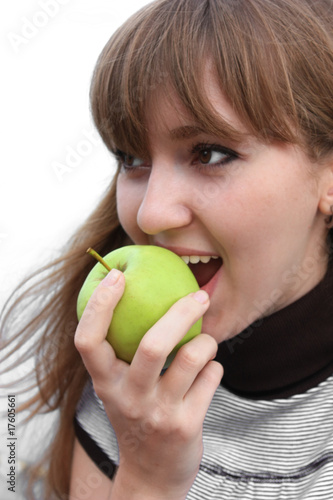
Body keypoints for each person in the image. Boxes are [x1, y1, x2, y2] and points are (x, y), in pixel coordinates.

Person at [2, 0, 333, 498]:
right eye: (131, 158)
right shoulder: (112, 380)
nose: (151, 214)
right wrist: (147, 476)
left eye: (211, 153)